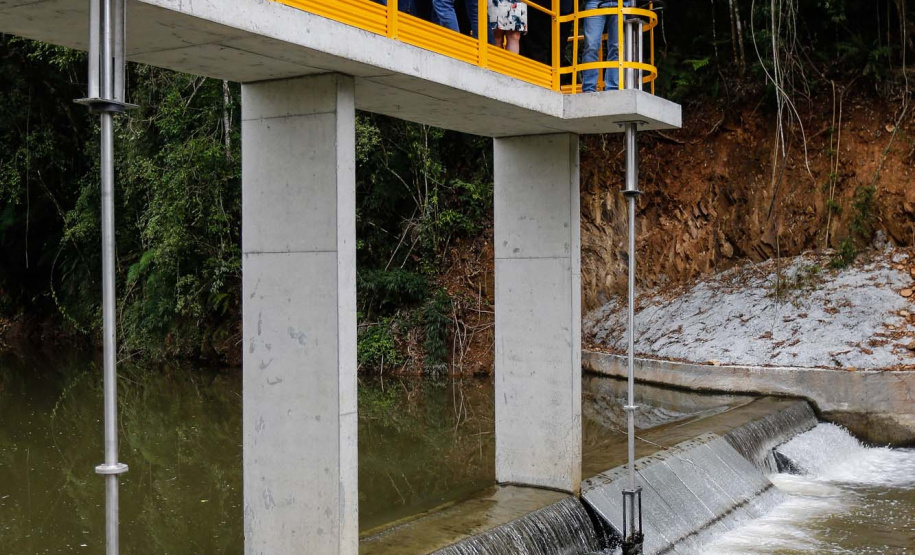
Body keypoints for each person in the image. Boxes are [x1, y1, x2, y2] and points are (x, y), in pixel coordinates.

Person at [581, 0, 633, 92]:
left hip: (620, 2)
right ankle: (589, 89)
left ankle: (612, 89)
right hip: (595, 2)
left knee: (617, 48)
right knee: (591, 46)